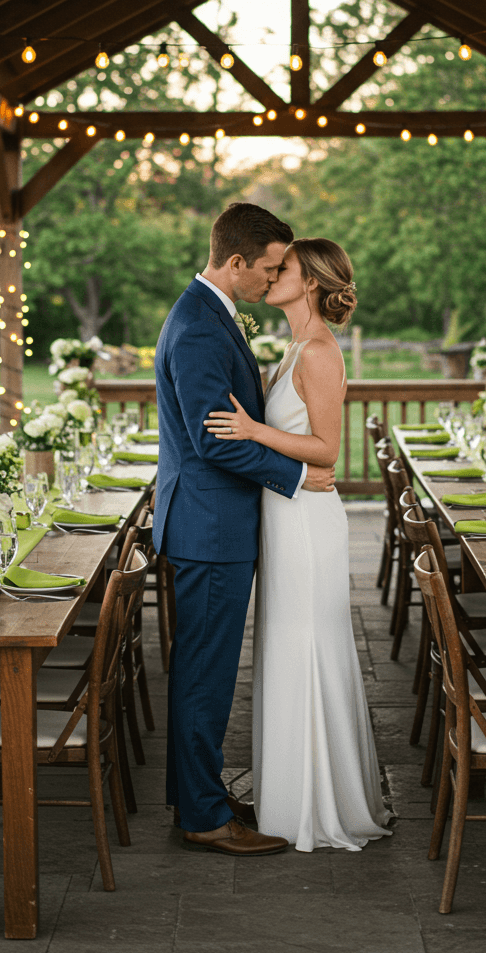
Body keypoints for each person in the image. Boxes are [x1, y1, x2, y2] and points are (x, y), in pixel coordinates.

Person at [154, 203, 337, 857]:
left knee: (200, 671)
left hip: (211, 524)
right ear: (235, 263)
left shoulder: (205, 313)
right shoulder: (201, 328)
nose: (270, 278)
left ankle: (196, 796)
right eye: (265, 268)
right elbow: (214, 444)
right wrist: (294, 478)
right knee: (205, 675)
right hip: (210, 528)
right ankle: (204, 816)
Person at [204, 239, 392, 852]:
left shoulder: (318, 353)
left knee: (307, 646)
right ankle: (290, 792)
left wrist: (254, 430)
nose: (270, 275)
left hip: (308, 522)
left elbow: (328, 452)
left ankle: (318, 803)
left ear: (310, 282)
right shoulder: (291, 349)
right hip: (285, 514)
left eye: (282, 269)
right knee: (284, 649)